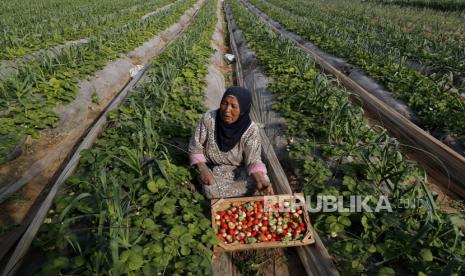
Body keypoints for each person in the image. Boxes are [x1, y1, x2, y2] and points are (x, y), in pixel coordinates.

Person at [188, 86, 274, 199]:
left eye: (234, 106)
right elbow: (195, 148)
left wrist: (260, 178)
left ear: (243, 110)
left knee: (259, 183)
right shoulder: (209, 120)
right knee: (211, 188)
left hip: (237, 170)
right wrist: (203, 169)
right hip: (212, 167)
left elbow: (253, 159)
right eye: (224, 103)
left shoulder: (251, 130)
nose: (227, 110)